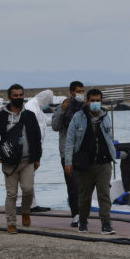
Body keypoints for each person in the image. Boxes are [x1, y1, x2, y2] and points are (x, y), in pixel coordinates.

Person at [0, 84, 43, 234]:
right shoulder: (1, 116)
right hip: (9, 162)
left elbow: (36, 137)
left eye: (21, 95)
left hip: (27, 160)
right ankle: (11, 222)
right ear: (9, 97)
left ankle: (25, 211)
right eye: (15, 95)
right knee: (11, 194)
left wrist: (37, 157)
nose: (19, 98)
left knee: (28, 190)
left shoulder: (29, 115)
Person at [65, 89, 118, 235]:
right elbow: (70, 140)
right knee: (84, 195)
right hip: (85, 164)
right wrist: (68, 162)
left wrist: (114, 154)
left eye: (98, 100)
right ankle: (83, 222)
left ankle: (106, 224)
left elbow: (109, 137)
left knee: (104, 194)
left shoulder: (106, 117)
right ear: (87, 101)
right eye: (93, 100)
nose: (95, 103)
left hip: (104, 163)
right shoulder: (78, 117)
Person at [53, 80, 85, 226]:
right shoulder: (63, 108)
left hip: (83, 152)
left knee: (84, 185)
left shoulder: (85, 108)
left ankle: (84, 213)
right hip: (67, 154)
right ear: (71, 92)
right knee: (72, 185)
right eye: (78, 91)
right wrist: (62, 111)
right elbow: (55, 126)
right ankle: (76, 214)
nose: (81, 94)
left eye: (82, 91)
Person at [22, 89, 55, 214]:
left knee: (30, 178)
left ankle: (32, 204)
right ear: (45, 99)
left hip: (36, 148)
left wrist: (59, 116)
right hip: (29, 148)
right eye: (48, 102)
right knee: (25, 178)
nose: (48, 104)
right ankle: (23, 204)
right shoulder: (31, 106)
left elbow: (47, 122)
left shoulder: (38, 107)